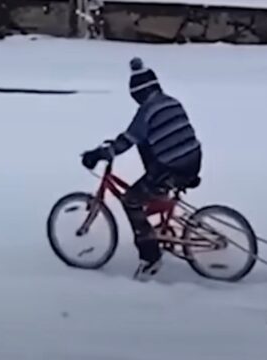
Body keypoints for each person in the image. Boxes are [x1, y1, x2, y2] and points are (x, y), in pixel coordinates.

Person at [81, 57, 203, 281]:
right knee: (148, 154)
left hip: (171, 167)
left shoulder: (146, 111)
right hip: (193, 160)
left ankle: (150, 258)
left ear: (139, 93)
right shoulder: (172, 101)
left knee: (131, 200)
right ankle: (161, 200)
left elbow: (126, 141)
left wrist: (98, 154)